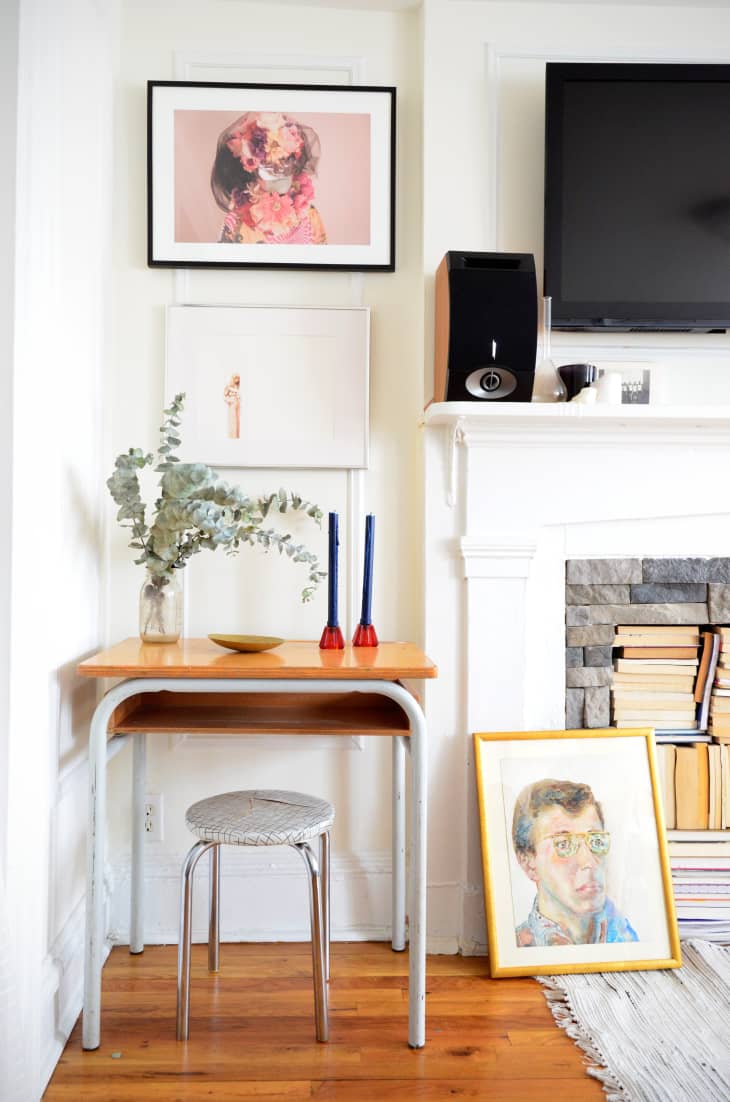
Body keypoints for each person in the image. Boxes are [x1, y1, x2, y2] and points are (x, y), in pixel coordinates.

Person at [511, 778, 638, 946]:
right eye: (563, 844)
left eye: (596, 841)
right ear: (528, 864)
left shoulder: (627, 938)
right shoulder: (517, 948)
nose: (589, 862)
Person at [211, 112, 327, 245]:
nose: (279, 173)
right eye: (269, 167)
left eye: (287, 162)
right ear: (251, 168)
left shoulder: (308, 213)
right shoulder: (237, 221)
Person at [223, 373, 241, 439]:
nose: (237, 380)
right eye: (236, 378)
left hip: (238, 405)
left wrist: (238, 398)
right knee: (232, 422)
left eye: (238, 378)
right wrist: (230, 400)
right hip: (232, 406)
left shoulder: (237, 386)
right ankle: (232, 436)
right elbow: (224, 397)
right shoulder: (228, 387)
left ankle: (237, 436)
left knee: (237, 423)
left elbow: (238, 395)